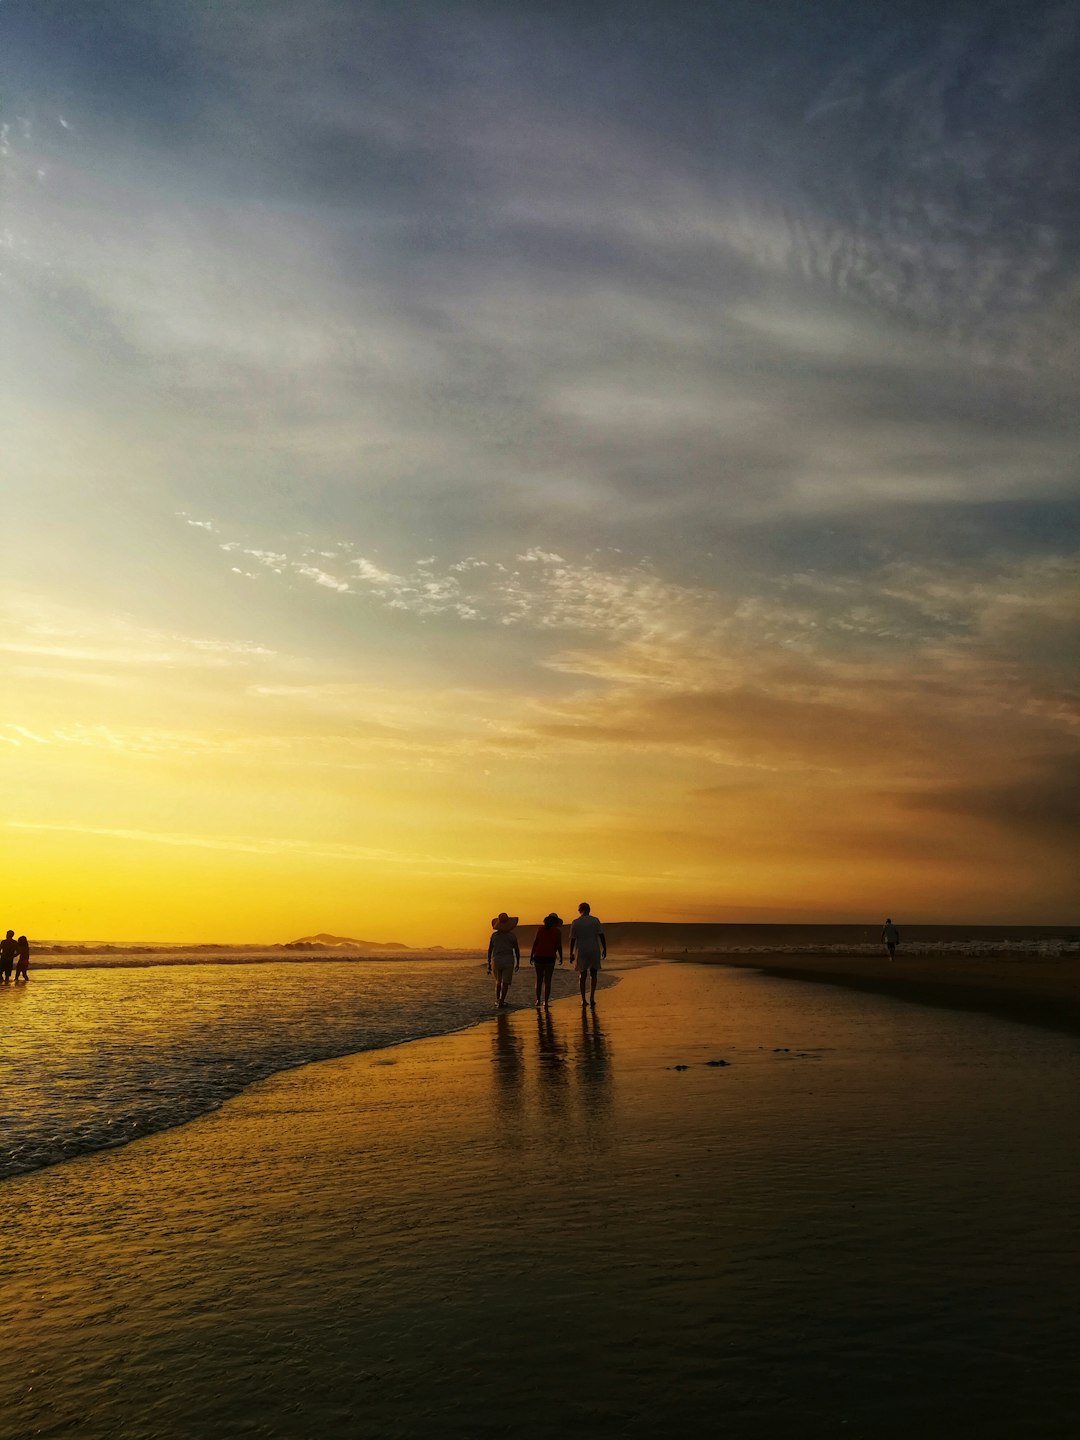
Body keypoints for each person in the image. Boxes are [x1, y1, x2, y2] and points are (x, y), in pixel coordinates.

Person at [569, 902, 606, 1008]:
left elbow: (572, 939)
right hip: (594, 949)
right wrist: (605, 949)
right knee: (593, 974)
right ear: (589, 910)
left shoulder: (576, 922)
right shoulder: (595, 920)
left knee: (582, 975)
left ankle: (583, 999)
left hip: (581, 950)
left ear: (579, 910)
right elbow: (601, 935)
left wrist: (571, 953)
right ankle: (592, 997)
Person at [529, 913, 563, 1007]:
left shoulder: (540, 929)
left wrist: (531, 955)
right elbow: (559, 945)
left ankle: (538, 1000)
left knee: (539, 979)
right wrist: (561, 957)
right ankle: (546, 1002)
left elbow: (535, 943)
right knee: (547, 981)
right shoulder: (557, 932)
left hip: (539, 956)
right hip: (550, 957)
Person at [487, 913, 520, 1007]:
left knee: (498, 981)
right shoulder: (512, 936)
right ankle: (502, 1000)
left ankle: (498, 1000)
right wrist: (518, 962)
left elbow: (490, 950)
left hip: (496, 960)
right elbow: (516, 950)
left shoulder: (494, 936)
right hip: (508, 960)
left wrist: (489, 962)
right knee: (505, 982)